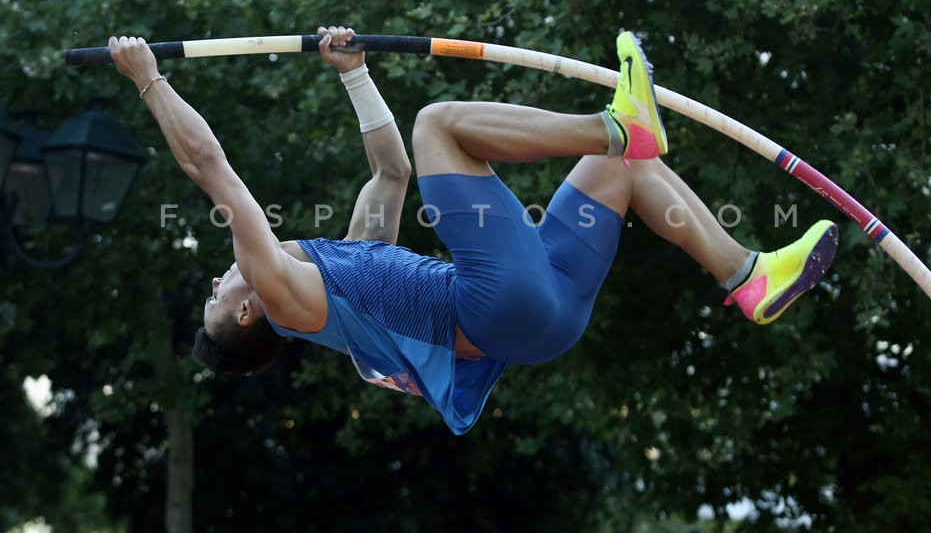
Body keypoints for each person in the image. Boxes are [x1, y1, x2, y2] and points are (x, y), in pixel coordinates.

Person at [108, 27, 838, 434]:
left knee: (621, 173)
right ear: (245, 310)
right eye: (217, 295)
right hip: (496, 308)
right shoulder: (284, 295)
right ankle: (617, 124)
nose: (218, 278)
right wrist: (148, 80)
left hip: (543, 316)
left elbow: (390, 172)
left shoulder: (339, 274)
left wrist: (353, 75)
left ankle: (748, 276)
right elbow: (209, 165)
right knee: (441, 125)